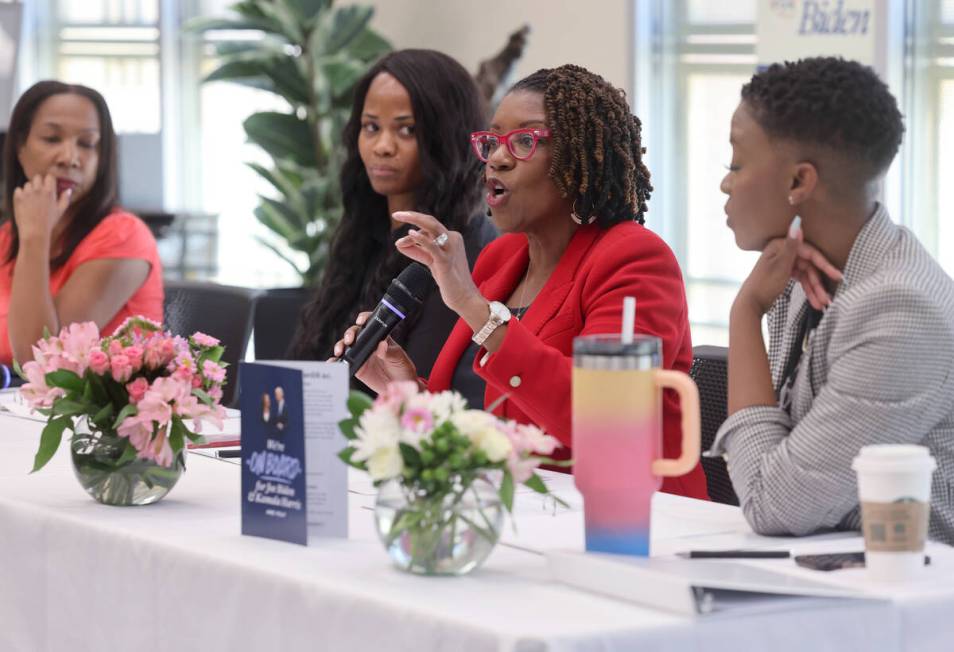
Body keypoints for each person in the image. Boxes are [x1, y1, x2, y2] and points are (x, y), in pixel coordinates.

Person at [335, 64, 709, 500]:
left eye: (525, 141)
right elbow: (476, 430)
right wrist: (399, 387)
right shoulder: (502, 258)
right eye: (492, 141)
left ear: (580, 157)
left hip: (632, 518)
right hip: (507, 512)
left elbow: (607, 419)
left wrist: (473, 308)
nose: (498, 158)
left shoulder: (634, 259)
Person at [710, 57, 954, 544]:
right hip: (835, 578)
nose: (725, 182)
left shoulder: (902, 313)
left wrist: (744, 314)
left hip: (919, 602)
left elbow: (771, 503)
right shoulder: (802, 273)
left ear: (799, 182)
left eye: (736, 163)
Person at [289, 49, 497, 384]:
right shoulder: (360, 238)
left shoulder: (465, 252)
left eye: (407, 130)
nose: (382, 146)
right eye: (371, 126)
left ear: (448, 137)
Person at [0, 81, 163, 365]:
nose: (69, 158)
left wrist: (35, 238)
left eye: (87, 144)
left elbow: (40, 361)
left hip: (84, 408)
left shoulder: (124, 235)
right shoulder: (7, 237)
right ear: (20, 148)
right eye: (51, 139)